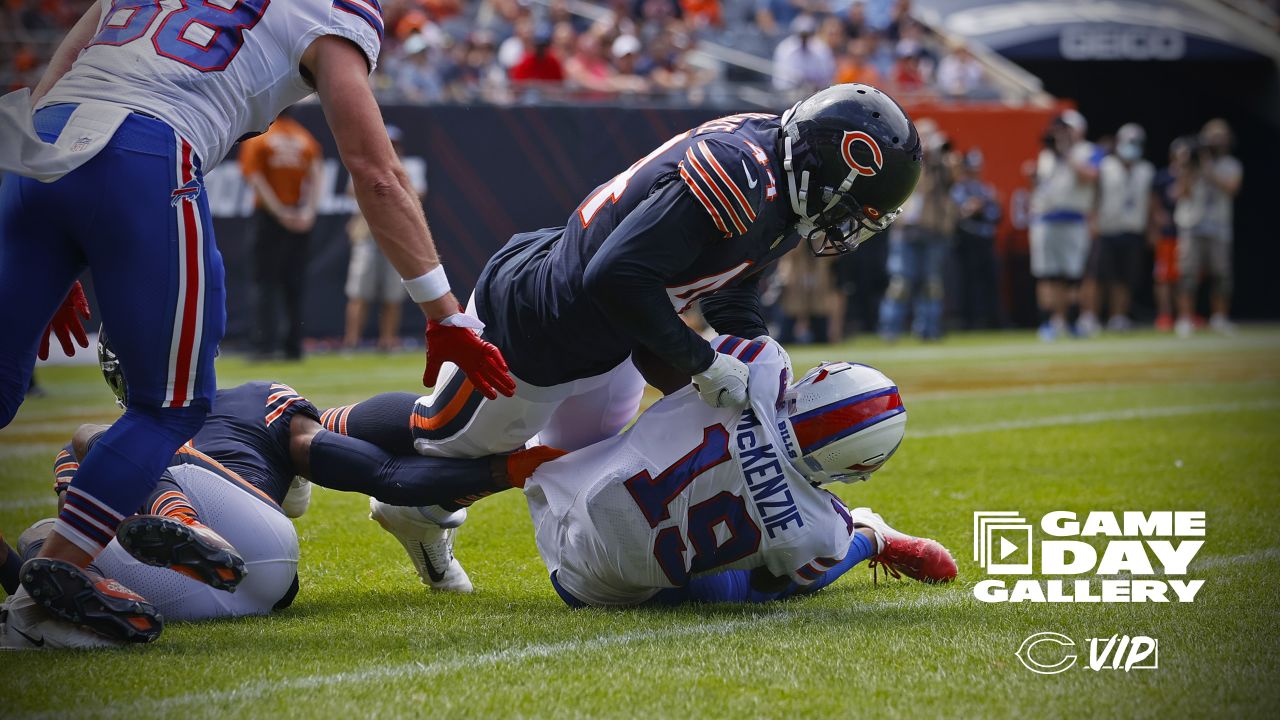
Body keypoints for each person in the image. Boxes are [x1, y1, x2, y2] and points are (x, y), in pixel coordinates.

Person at [0, 0, 514, 645]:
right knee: (171, 405)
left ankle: (37, 571)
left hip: (37, 148)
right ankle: (55, 579)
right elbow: (377, 174)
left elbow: (68, 62)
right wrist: (445, 315)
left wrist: (50, 235)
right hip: (143, 148)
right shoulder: (328, 13)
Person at [352, 84, 923, 582]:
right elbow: (615, 276)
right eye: (853, 208)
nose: (847, 227)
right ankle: (294, 430)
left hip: (613, 336)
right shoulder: (737, 172)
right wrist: (703, 363)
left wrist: (756, 354)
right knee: (436, 433)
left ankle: (424, 507)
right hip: (540, 326)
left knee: (567, 467)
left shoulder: (783, 186)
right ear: (833, 169)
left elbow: (729, 285)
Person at [333, 338, 956, 604]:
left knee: (444, 421)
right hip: (591, 587)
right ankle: (870, 535)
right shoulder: (817, 530)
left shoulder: (763, 369)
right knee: (776, 578)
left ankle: (312, 427)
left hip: (563, 475)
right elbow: (780, 578)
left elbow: (691, 347)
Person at [239, 106, 323, 361]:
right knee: (294, 284)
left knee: (264, 283)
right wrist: (308, 211)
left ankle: (264, 345)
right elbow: (317, 173)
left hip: (270, 219)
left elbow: (255, 178)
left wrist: (278, 212)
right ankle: (293, 347)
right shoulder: (303, 137)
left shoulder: (260, 137)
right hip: (299, 217)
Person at [879, 121, 956, 341]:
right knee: (900, 283)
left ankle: (928, 330)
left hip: (934, 230)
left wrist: (939, 159)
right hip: (906, 230)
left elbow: (954, 180)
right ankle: (890, 329)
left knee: (931, 283)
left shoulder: (942, 165)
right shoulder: (904, 160)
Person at [1028, 110, 1100, 341]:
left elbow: (1089, 176)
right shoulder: (1046, 154)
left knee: (1072, 275)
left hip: (1074, 219)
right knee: (1048, 274)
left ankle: (1068, 320)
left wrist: (1067, 154)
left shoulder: (1088, 151)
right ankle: (1049, 322)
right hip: (1046, 219)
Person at [343, 127, 413, 353]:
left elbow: (414, 195)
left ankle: (388, 341)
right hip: (368, 235)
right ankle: (351, 342)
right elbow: (354, 192)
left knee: (393, 294)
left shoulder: (408, 169)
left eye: (393, 144)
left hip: (397, 237)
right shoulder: (363, 165)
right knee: (359, 292)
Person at [1173, 119, 1242, 337]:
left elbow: (1231, 188)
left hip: (1219, 227)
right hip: (1192, 224)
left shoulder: (1231, 164)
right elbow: (1181, 193)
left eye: (1221, 135)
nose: (1216, 140)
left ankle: (1219, 318)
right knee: (1188, 274)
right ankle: (1185, 319)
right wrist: (1186, 167)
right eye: (1212, 136)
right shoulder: (1192, 165)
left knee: (1221, 274)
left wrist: (1208, 166)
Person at [1092, 123, 1155, 332]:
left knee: (1125, 279)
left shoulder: (1146, 169)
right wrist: (1092, 220)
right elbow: (1095, 195)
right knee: (1098, 277)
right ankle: (1091, 317)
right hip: (1107, 228)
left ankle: (1118, 317)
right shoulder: (1105, 165)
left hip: (1133, 229)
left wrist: (1151, 228)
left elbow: (1149, 201)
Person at [950, 149, 1002, 330]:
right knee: (969, 282)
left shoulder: (986, 188)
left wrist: (983, 207)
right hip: (968, 239)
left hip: (986, 240)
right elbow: (959, 215)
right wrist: (974, 208)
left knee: (991, 281)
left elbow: (995, 214)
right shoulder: (959, 188)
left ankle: (993, 319)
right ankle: (970, 320)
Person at [1151, 138, 1188, 332]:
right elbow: (1155, 198)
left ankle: (1184, 314)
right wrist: (1157, 217)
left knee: (1184, 275)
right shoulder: (1163, 176)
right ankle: (1165, 314)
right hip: (1167, 232)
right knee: (1164, 276)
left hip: (1187, 230)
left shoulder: (1193, 175)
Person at [772, 15, 836, 92]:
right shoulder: (785, 48)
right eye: (802, 35)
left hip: (816, 92)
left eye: (807, 35)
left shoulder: (821, 49)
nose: (804, 39)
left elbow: (827, 76)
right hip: (790, 92)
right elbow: (780, 82)